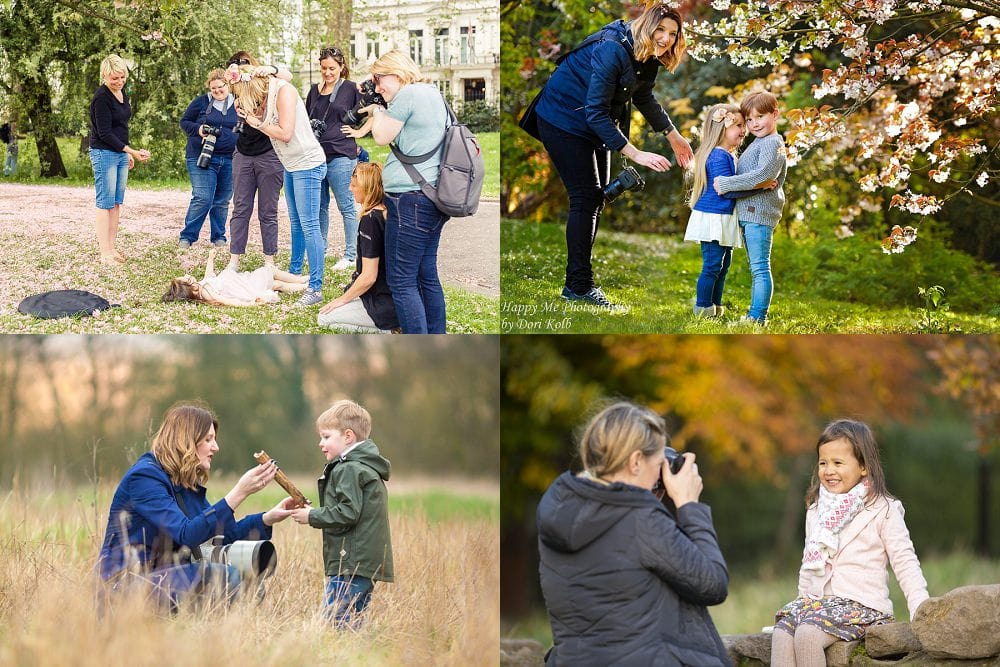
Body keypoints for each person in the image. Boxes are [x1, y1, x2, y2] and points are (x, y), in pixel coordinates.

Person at [537, 401, 730, 666]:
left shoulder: (559, 511)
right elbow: (713, 583)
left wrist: (646, 498)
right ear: (636, 461)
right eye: (658, 461)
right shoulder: (640, 520)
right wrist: (688, 505)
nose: (661, 471)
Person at [528, 3, 694, 308]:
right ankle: (578, 286)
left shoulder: (647, 53)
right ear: (646, 24)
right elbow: (594, 112)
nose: (666, 38)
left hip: (594, 122)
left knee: (596, 198)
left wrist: (673, 135)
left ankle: (577, 283)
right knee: (587, 198)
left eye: (672, 33)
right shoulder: (612, 50)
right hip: (562, 118)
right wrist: (635, 153)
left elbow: (643, 95)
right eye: (661, 29)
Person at [97, 402, 297, 609]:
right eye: (208, 439)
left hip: (164, 576)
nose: (215, 447)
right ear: (187, 441)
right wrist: (239, 492)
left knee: (251, 583)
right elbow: (187, 534)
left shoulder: (184, 481)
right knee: (226, 578)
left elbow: (217, 536)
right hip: (125, 587)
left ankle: (208, 635)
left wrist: (267, 518)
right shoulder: (145, 477)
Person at [771, 419, 929, 666]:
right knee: (782, 632)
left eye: (838, 463)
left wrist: (920, 607)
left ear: (863, 467)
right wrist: (804, 601)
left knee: (808, 635)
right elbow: (808, 563)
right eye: (823, 463)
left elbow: (904, 560)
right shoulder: (817, 511)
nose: (828, 470)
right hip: (822, 605)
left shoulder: (883, 509)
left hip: (863, 606)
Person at [355, 50, 450, 333]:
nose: (378, 86)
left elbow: (382, 137)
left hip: (410, 201)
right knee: (425, 275)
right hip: (429, 198)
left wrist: (378, 110)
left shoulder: (409, 94)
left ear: (396, 73)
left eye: (379, 78)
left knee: (402, 281)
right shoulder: (432, 93)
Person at [229, 63, 328, 307]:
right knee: (296, 222)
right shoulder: (265, 91)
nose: (257, 108)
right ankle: (295, 273)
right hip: (291, 164)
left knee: (310, 225)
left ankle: (316, 287)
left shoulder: (283, 91)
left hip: (307, 163)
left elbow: (285, 133)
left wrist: (257, 122)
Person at [290, 399, 393, 628]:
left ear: (348, 436)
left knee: (332, 622)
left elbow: (348, 512)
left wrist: (312, 516)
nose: (320, 443)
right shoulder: (364, 466)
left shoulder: (348, 468)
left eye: (326, 436)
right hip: (363, 561)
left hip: (352, 562)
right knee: (352, 623)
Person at [684, 103, 777, 318]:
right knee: (712, 265)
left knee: (723, 266)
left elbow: (732, 188)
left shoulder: (727, 155)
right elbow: (727, 191)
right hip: (713, 217)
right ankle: (703, 307)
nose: (744, 130)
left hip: (724, 217)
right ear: (721, 129)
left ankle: (714, 306)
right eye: (737, 125)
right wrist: (759, 186)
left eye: (743, 125)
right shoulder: (718, 156)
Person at [713, 91, 787, 325]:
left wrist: (725, 184)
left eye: (760, 117)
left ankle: (757, 317)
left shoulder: (773, 142)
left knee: (759, 268)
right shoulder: (760, 142)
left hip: (760, 214)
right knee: (756, 267)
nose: (754, 124)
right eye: (749, 119)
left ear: (775, 114)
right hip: (750, 213)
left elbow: (765, 175)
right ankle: (755, 316)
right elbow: (753, 177)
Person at [225, 51, 292, 272]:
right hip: (243, 153)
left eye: (244, 64)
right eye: (235, 65)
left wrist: (270, 68)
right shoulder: (234, 89)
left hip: (269, 153)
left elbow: (287, 76)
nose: (240, 68)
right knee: (240, 208)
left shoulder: (266, 83)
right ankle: (234, 259)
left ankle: (269, 260)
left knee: (268, 211)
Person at [317, 162, 400, 332]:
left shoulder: (370, 220)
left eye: (354, 185)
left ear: (367, 188)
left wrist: (341, 300)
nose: (349, 188)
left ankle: (387, 330)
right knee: (347, 299)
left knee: (324, 318)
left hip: (382, 302)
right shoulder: (389, 211)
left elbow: (369, 276)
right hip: (398, 297)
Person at [88, 54, 151, 265]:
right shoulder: (101, 99)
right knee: (104, 202)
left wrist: (125, 153)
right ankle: (104, 252)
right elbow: (105, 133)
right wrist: (132, 151)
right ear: (104, 75)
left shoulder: (123, 93)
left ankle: (112, 248)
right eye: (114, 78)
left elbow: (121, 127)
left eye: (122, 77)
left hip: (119, 153)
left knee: (115, 203)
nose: (119, 81)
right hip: (103, 153)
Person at [306, 46, 362, 271]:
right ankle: (322, 249)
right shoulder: (314, 90)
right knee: (319, 206)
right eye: (323, 68)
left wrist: (359, 132)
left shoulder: (350, 89)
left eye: (332, 68)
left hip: (341, 155)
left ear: (341, 67)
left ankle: (351, 254)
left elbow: (372, 110)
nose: (327, 73)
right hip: (316, 156)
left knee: (346, 206)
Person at [178, 69, 239, 249]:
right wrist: (199, 130)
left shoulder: (238, 102)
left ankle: (218, 236)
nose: (218, 91)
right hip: (202, 156)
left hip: (230, 158)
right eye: (214, 89)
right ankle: (187, 237)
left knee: (222, 200)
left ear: (228, 85)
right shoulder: (201, 102)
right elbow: (185, 122)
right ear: (209, 88)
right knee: (203, 197)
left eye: (221, 87)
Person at [162, 247, 307, 306]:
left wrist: (210, 258)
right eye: (187, 279)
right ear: (190, 288)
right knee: (271, 272)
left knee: (275, 284)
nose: (188, 275)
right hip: (243, 287)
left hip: (242, 283)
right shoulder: (205, 291)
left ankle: (304, 285)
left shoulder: (202, 286)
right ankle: (302, 282)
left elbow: (209, 276)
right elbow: (225, 301)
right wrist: (248, 305)